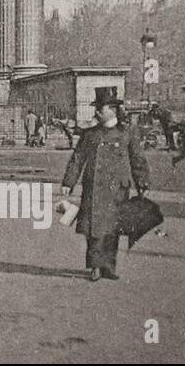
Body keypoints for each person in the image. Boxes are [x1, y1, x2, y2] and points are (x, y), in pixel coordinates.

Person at [61, 89, 150, 281]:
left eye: (100, 108)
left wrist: (142, 182)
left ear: (112, 109)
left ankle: (108, 266)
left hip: (118, 190)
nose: (97, 113)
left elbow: (138, 160)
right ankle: (95, 265)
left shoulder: (127, 134)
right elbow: (77, 159)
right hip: (94, 187)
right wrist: (69, 181)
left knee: (113, 229)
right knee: (94, 230)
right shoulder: (90, 134)